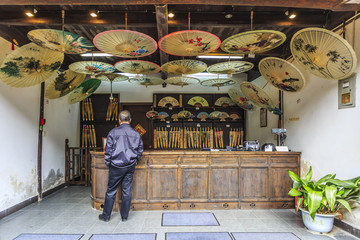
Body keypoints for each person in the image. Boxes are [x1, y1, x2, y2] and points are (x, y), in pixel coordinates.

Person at [98, 110, 143, 222]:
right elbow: (140, 150)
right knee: (127, 191)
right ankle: (124, 216)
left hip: (116, 166)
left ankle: (106, 216)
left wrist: (108, 162)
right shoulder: (136, 133)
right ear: (130, 120)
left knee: (111, 191)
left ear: (119, 120)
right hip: (130, 165)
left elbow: (108, 150)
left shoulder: (113, 132)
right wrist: (135, 159)